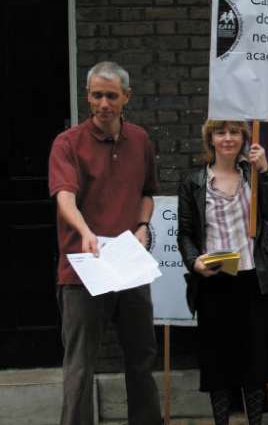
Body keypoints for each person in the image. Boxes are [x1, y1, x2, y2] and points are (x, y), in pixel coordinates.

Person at [48, 61, 162, 425]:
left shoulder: (140, 140)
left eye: (111, 96)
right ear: (87, 96)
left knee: (142, 357)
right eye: (97, 95)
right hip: (82, 270)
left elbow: (147, 193)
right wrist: (85, 231)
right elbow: (64, 197)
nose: (103, 103)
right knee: (80, 365)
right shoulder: (68, 143)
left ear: (126, 97)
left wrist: (143, 226)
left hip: (129, 266)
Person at [178, 119, 268, 425]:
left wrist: (264, 171)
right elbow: (184, 232)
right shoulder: (194, 181)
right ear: (209, 138)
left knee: (255, 365)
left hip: (252, 279)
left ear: (244, 138)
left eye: (234, 132)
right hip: (214, 280)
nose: (227, 138)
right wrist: (193, 261)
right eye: (220, 132)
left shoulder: (252, 176)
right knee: (219, 365)